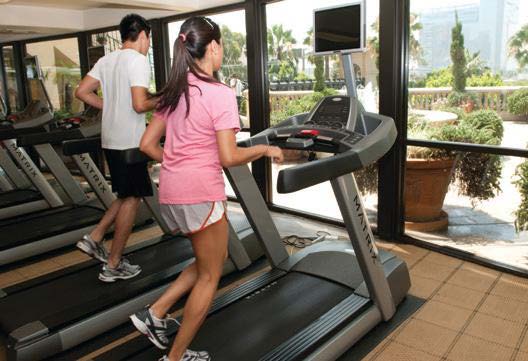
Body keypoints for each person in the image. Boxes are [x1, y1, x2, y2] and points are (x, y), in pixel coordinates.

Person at [129, 16, 283, 361]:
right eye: (221, 47)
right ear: (212, 47)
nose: (221, 53)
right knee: (212, 274)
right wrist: (264, 149)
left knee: (207, 259)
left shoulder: (173, 91)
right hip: (200, 191)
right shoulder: (219, 93)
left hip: (171, 192)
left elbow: (147, 144)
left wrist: (179, 162)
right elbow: (228, 156)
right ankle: (175, 356)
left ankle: (155, 313)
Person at [74, 14, 158, 282]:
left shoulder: (107, 59)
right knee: (132, 200)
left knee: (125, 193)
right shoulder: (138, 61)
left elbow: (82, 92)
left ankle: (95, 237)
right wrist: (168, 98)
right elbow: (140, 104)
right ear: (143, 35)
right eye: (148, 40)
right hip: (131, 142)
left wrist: (109, 106)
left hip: (110, 140)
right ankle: (113, 263)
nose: (147, 45)